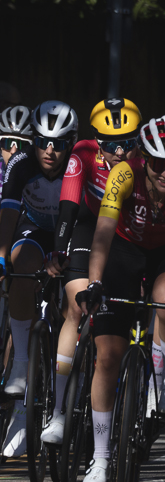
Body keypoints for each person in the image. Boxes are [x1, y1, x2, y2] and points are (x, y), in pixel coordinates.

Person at [79, 115, 165, 482]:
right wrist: (95, 282)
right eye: (158, 163)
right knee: (107, 357)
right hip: (124, 248)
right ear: (144, 157)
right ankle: (101, 459)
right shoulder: (124, 174)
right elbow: (102, 234)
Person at [40, 97, 142, 447]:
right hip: (88, 226)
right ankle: (58, 410)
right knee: (75, 303)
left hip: (129, 234)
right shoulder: (82, 153)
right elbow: (68, 209)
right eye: (112, 146)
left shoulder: (145, 163)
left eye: (128, 144)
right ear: (99, 142)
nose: (120, 153)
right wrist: (58, 250)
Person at [0, 99, 78, 458]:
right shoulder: (21, 164)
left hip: (70, 232)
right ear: (33, 140)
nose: (50, 150)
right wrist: (2, 258)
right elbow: (8, 215)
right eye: (44, 141)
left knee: (68, 304)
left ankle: (63, 400)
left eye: (59, 143)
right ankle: (20, 367)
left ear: (71, 143)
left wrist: (60, 256)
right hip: (32, 230)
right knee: (20, 265)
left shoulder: (76, 167)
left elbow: (68, 213)